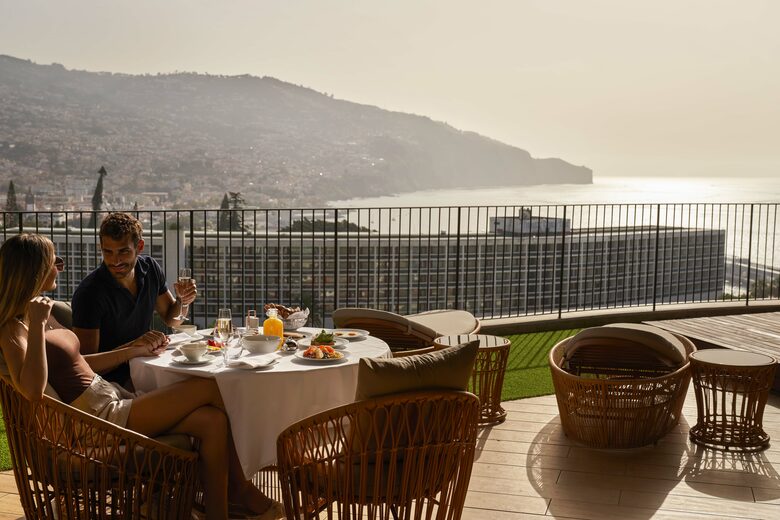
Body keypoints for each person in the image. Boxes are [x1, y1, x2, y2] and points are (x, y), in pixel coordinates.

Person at [0, 234, 282, 520]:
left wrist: (131, 350)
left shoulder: (42, 311)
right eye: (55, 262)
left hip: (108, 397)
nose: (60, 267)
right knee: (210, 387)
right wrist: (37, 324)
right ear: (35, 269)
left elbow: (79, 363)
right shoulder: (15, 327)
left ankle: (218, 513)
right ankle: (240, 489)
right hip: (95, 418)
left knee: (212, 420)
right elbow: (32, 390)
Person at [71, 212, 196, 386]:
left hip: (148, 368)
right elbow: (85, 365)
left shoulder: (150, 268)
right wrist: (134, 348)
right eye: (108, 252)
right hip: (114, 383)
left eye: (123, 251)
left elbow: (172, 319)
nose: (115, 261)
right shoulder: (90, 293)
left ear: (140, 247)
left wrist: (183, 301)